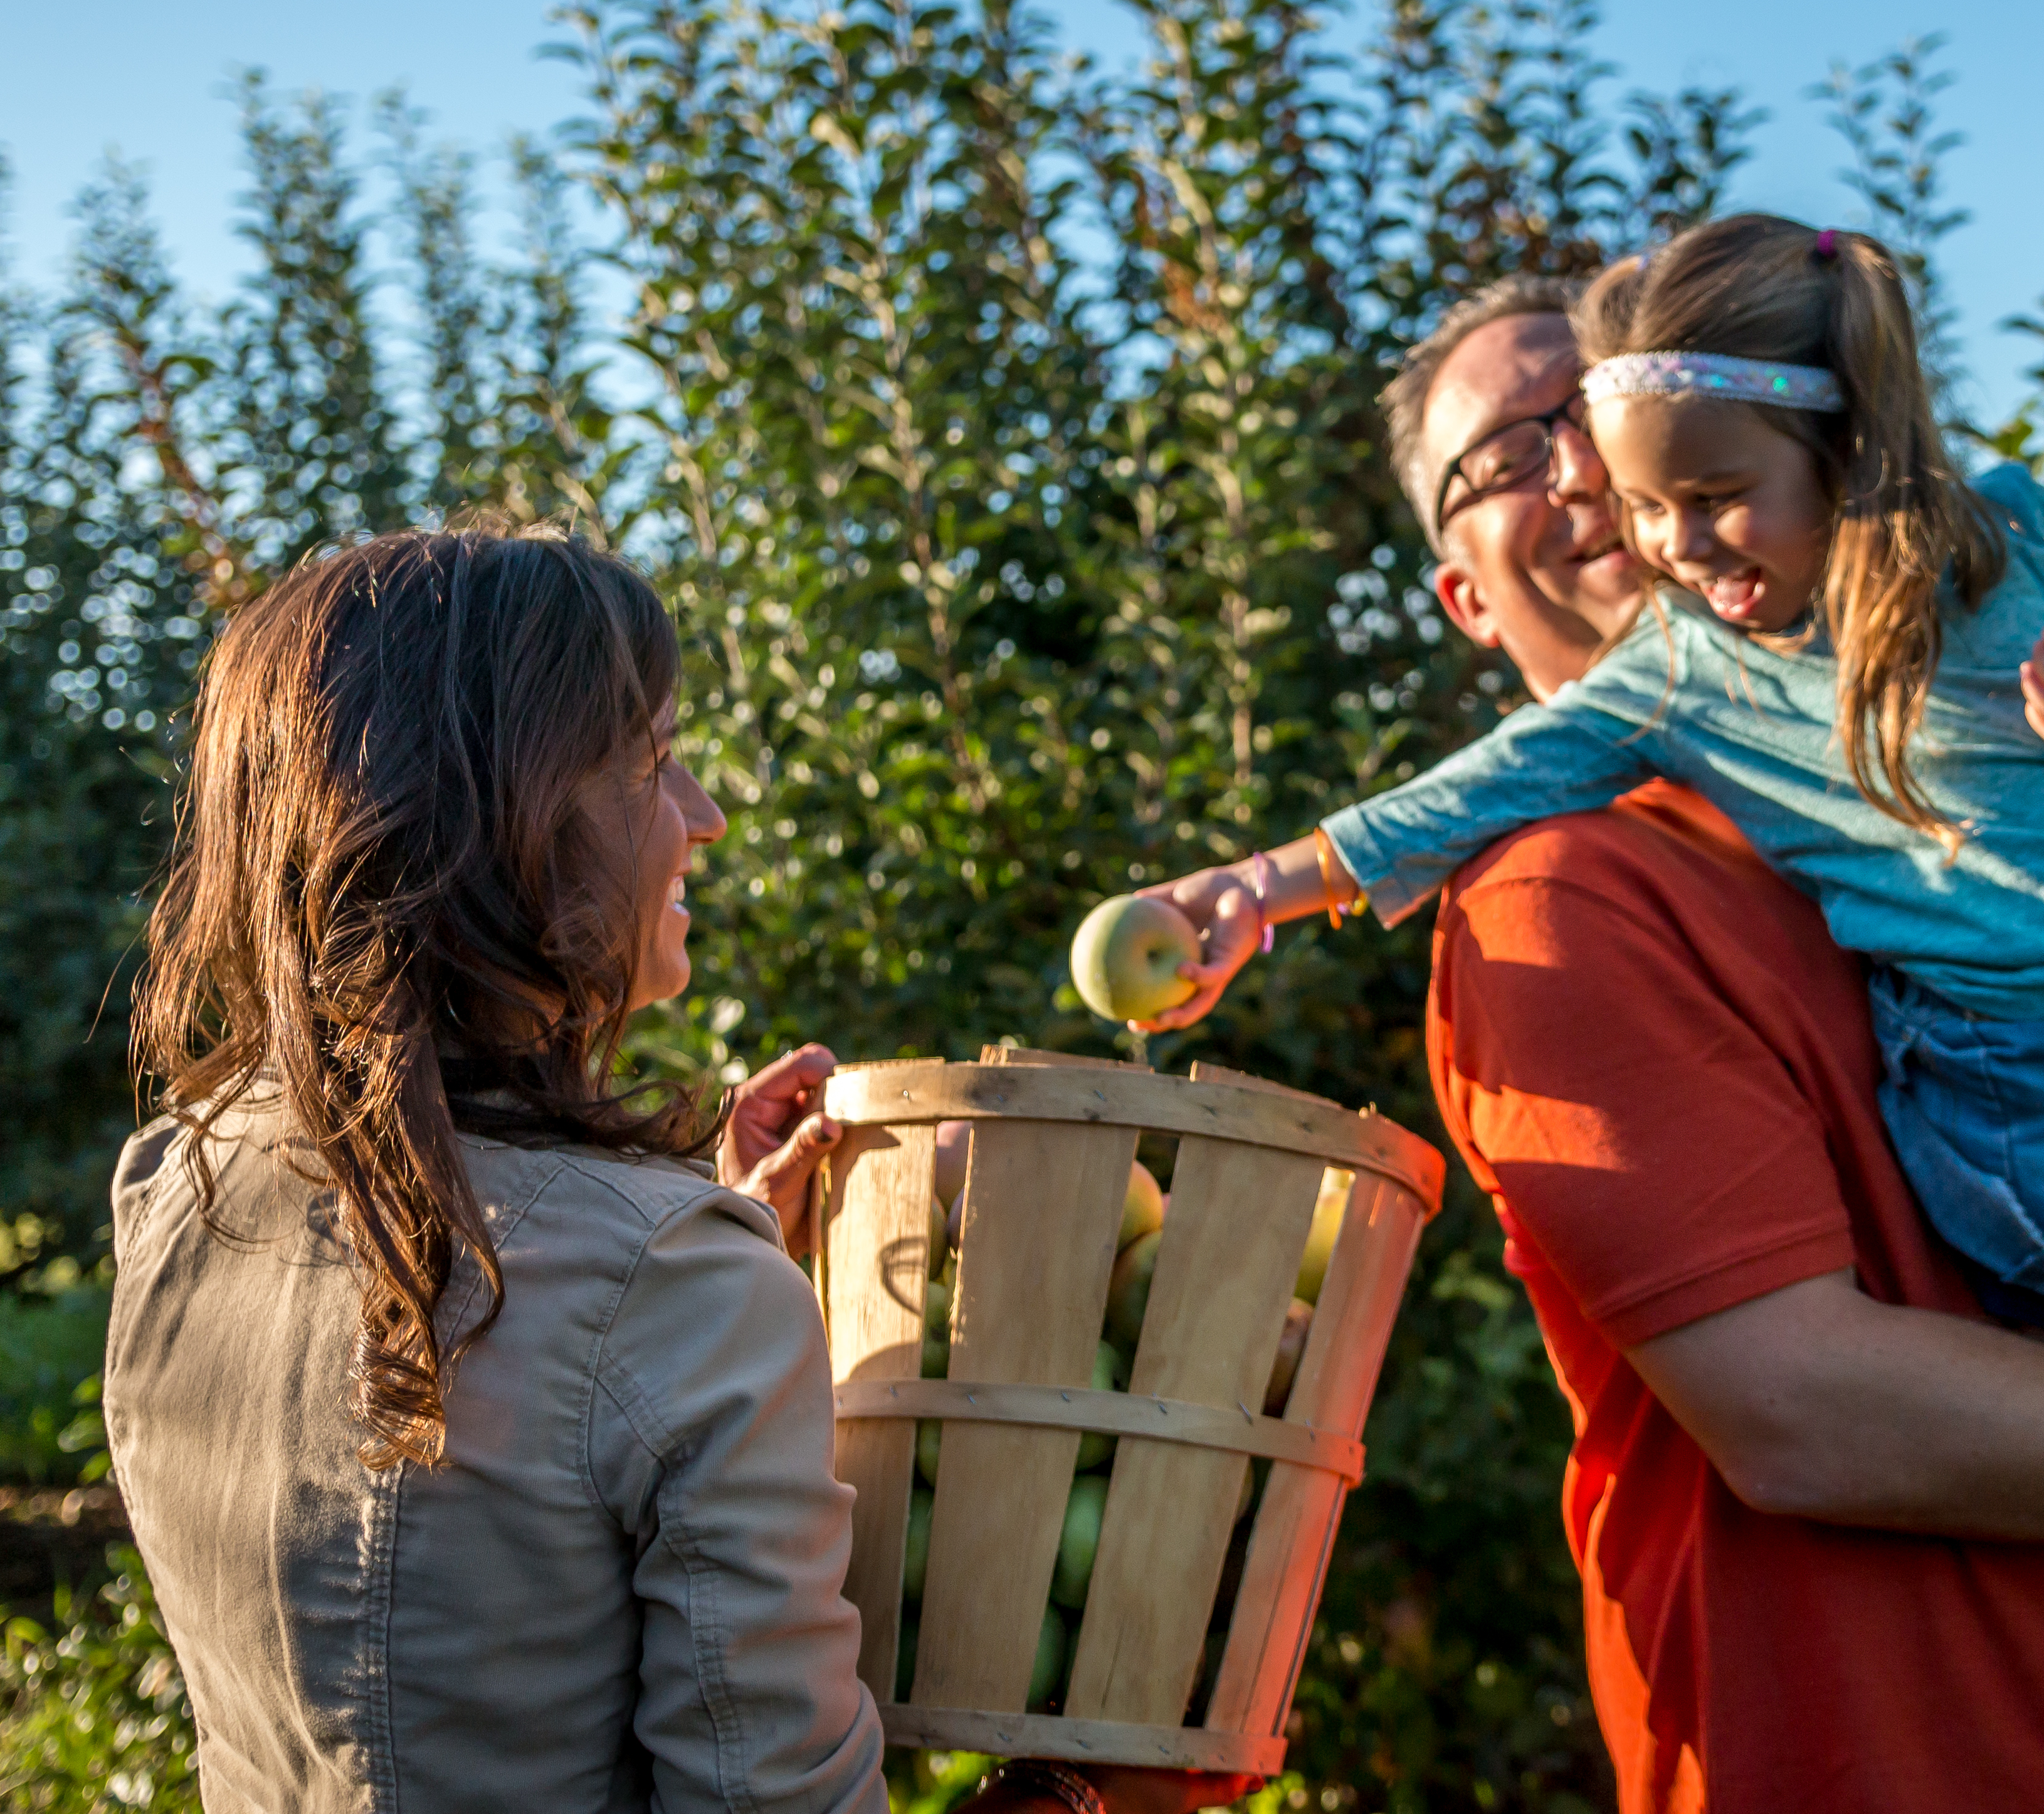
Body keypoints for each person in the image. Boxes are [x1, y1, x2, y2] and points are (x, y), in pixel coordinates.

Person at [1132, 266, 2044, 1810]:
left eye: (1597, 409)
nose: (1582, 470)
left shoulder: (1889, 819)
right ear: (1468, 600)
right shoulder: (1564, 896)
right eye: (1514, 452)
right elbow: (1815, 1419)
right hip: (1894, 1758)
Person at [102, 527, 1238, 1814]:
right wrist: (1091, 1796)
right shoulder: (673, 1289)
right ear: (505, 822)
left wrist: (705, 1245)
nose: (705, 815)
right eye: (650, 765)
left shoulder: (175, 1192)